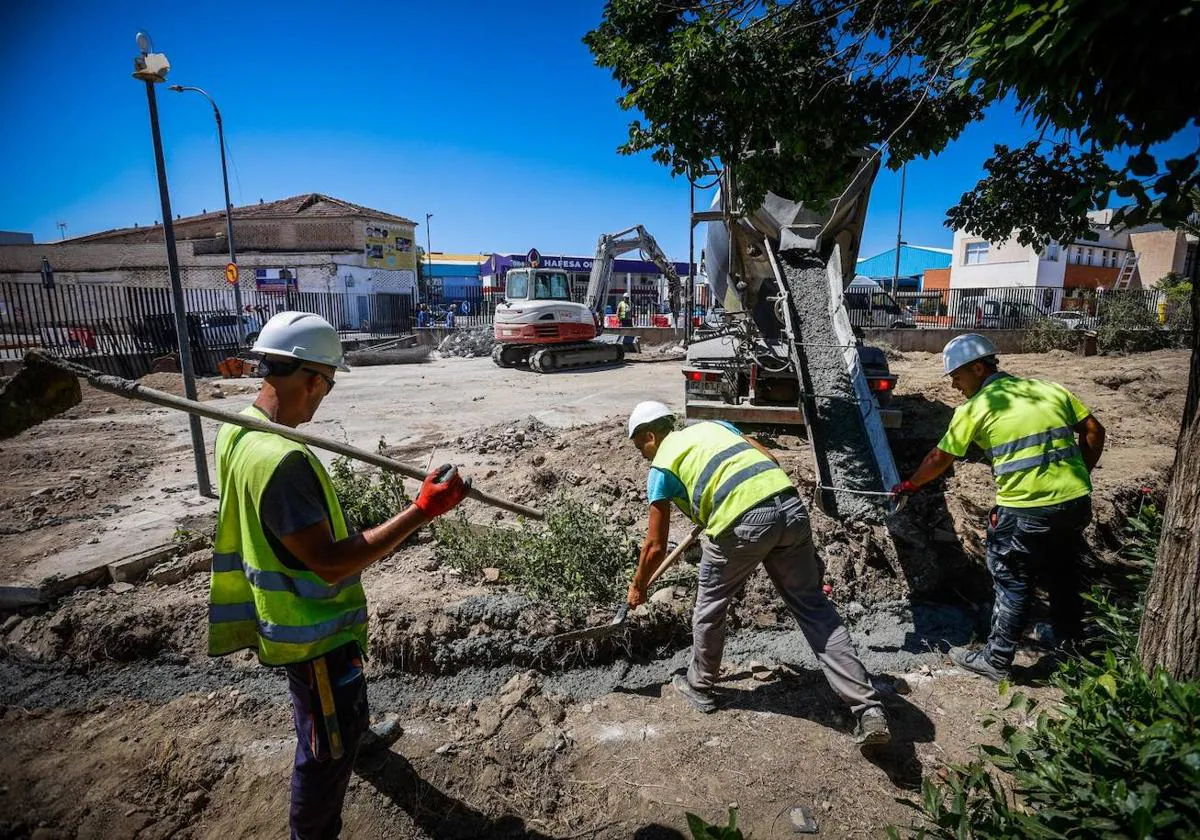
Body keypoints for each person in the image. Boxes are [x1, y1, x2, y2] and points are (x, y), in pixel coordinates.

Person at [208, 311, 471, 838]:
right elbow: (329, 562)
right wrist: (422, 511)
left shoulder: (237, 432)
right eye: (326, 386)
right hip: (313, 632)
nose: (323, 397)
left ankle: (360, 738)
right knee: (325, 746)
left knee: (339, 714)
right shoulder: (282, 461)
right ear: (310, 378)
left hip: (287, 614)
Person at [625, 401, 890, 746]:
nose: (643, 456)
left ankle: (699, 685)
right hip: (790, 508)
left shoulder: (661, 467)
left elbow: (654, 547)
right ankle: (868, 709)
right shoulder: (717, 427)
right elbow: (771, 461)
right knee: (813, 607)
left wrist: (638, 586)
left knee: (710, 608)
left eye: (640, 448)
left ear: (649, 436)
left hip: (742, 523)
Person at [893, 334, 1105, 682]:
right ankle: (1070, 644)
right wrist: (1078, 474)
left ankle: (997, 658)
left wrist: (911, 484)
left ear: (978, 368)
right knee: (1063, 572)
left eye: (958, 377)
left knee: (1012, 579)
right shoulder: (1049, 389)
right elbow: (1094, 431)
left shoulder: (976, 408)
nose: (956, 387)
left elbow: (939, 457)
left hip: (1025, 509)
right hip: (1074, 503)